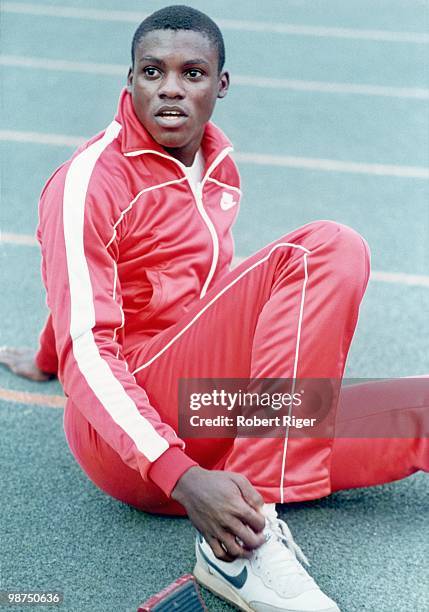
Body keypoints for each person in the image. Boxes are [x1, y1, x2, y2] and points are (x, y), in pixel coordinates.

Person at [1, 6, 427, 612]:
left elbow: (142, 289)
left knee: (420, 410)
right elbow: (87, 336)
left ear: (219, 84)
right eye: (152, 71)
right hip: (135, 447)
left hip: (217, 412)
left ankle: (255, 488)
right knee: (326, 250)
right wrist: (181, 475)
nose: (170, 87)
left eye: (192, 72)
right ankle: (240, 549)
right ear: (129, 79)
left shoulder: (216, 167)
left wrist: (42, 355)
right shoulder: (90, 182)